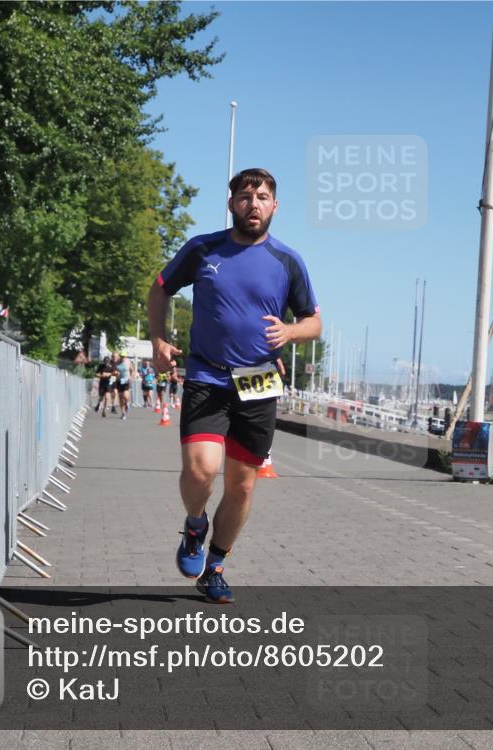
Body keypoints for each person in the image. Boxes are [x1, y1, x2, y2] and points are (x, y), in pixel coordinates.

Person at [147, 168, 321, 603]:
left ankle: (216, 566)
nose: (253, 204)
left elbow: (314, 322)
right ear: (231, 204)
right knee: (201, 469)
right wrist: (157, 339)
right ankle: (194, 525)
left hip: (259, 380)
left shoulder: (288, 261)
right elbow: (160, 288)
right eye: (245, 196)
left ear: (275, 206)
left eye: (262, 197)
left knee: (242, 485)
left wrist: (290, 332)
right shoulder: (204, 249)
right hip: (207, 374)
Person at [115, 352, 133, 419]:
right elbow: (114, 371)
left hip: (126, 381)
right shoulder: (117, 362)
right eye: (122, 356)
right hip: (119, 381)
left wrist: (131, 377)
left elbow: (132, 370)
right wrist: (116, 373)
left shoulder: (128, 362)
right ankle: (123, 413)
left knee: (125, 396)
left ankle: (127, 403)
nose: (123, 358)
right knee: (120, 397)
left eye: (124, 356)